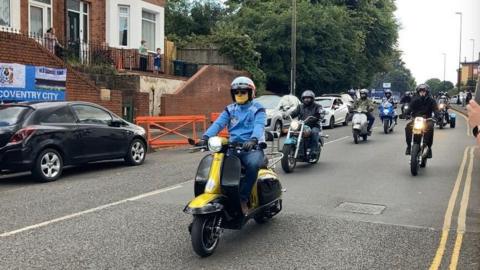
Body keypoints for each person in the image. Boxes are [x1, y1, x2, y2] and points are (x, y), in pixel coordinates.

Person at [199, 76, 266, 214]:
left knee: (252, 166)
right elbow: (218, 123)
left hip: (252, 148)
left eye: (243, 92)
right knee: (216, 165)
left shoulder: (258, 109)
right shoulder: (230, 109)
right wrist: (205, 137)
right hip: (232, 147)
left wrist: (253, 139)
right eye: (236, 92)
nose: (239, 95)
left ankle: (242, 198)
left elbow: (259, 125)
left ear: (251, 93)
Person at [288, 90, 323, 161]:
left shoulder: (317, 106)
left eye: (308, 98)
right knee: (292, 131)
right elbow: (294, 113)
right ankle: (292, 149)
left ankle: (313, 152)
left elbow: (320, 113)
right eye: (305, 98)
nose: (306, 100)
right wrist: (287, 115)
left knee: (314, 132)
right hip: (301, 125)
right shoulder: (300, 106)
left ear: (312, 98)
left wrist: (319, 116)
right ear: (302, 99)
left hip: (314, 125)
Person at [404, 84, 437, 157]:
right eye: (420, 91)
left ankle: (428, 147)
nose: (422, 93)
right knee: (408, 127)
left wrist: (438, 116)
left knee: (430, 127)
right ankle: (409, 146)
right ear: (418, 92)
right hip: (416, 119)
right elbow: (410, 108)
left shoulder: (431, 100)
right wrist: (405, 114)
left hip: (427, 119)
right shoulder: (414, 100)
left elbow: (435, 109)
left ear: (427, 92)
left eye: (424, 91)